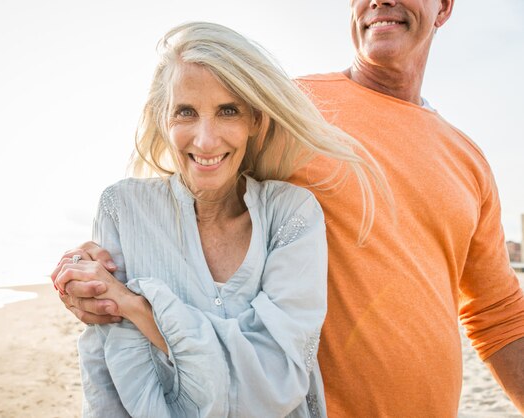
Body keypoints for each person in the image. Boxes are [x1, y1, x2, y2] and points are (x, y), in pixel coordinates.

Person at [55, 1, 524, 416]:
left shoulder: (469, 158)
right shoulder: (286, 108)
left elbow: (497, 314)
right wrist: (96, 263)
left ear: (443, 7)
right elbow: (189, 184)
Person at [52, 22, 387, 417]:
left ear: (255, 122)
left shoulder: (292, 214)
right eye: (185, 112)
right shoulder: (123, 209)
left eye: (228, 111)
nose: (206, 140)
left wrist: (138, 307)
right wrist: (107, 299)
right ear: (164, 120)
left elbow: (275, 378)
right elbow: (108, 372)